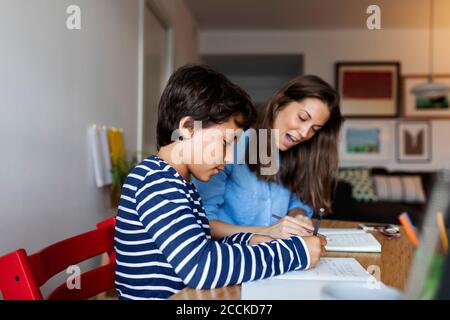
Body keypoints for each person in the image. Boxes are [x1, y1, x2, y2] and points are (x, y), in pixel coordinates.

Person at [114, 64, 326, 300]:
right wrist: (296, 253)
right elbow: (200, 267)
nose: (227, 158)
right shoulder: (156, 181)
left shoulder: (180, 183)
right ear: (187, 127)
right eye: (225, 143)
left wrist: (253, 239)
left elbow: (202, 245)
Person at [194, 75, 342, 241]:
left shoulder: (298, 154)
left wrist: (298, 216)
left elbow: (298, 203)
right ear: (279, 103)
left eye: (314, 129)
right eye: (302, 118)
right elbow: (203, 222)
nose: (304, 133)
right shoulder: (231, 146)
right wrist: (267, 231)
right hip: (231, 255)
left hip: (274, 256)